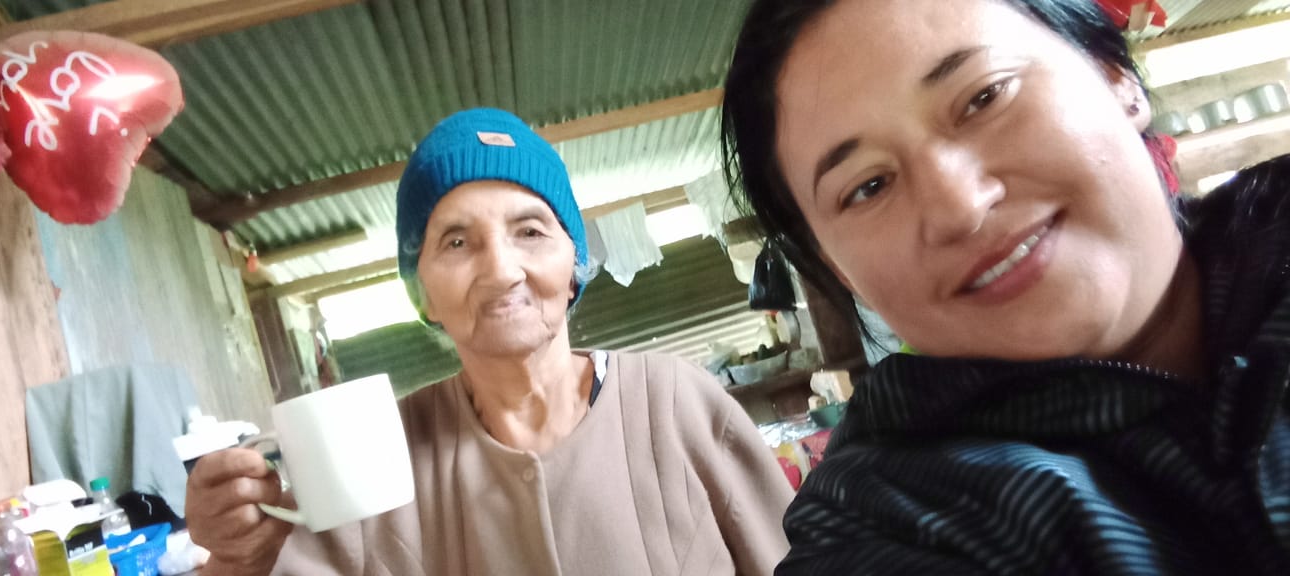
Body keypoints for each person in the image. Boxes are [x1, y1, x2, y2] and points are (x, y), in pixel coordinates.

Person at [720, 0, 1290, 574]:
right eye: (868, 186)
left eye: (984, 97)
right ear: (841, 270)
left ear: (1116, 78)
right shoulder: (886, 514)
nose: (960, 206)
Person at [186, 108, 794, 576]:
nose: (501, 271)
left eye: (530, 231)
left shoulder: (676, 403)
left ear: (575, 265)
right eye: (456, 242)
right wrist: (238, 557)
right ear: (421, 292)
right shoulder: (375, 457)